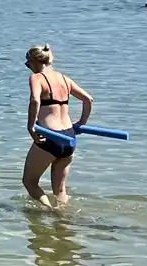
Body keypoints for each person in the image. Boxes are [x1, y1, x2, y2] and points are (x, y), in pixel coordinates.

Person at [23, 44, 94, 205]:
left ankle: (50, 213)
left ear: (35, 61)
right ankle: (62, 222)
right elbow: (88, 100)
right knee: (60, 190)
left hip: (50, 137)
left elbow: (35, 100)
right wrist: (81, 123)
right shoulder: (64, 79)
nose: (29, 68)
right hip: (69, 137)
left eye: (28, 64)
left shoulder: (36, 78)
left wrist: (31, 126)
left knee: (30, 182)